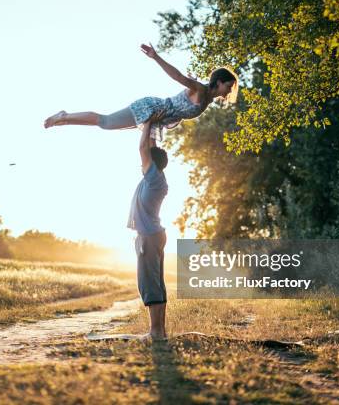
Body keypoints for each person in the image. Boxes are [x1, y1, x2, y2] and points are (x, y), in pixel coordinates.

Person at [43, 43, 238, 141]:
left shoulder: (206, 100)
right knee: (105, 122)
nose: (229, 91)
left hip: (156, 119)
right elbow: (178, 77)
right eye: (228, 86)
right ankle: (64, 115)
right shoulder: (201, 90)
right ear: (219, 82)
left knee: (107, 125)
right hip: (152, 108)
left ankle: (65, 120)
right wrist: (156, 57)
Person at [128, 117, 169, 340]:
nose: (141, 161)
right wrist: (153, 128)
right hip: (154, 234)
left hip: (149, 237)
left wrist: (147, 124)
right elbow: (150, 148)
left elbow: (143, 147)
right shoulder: (156, 177)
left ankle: (155, 332)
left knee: (149, 283)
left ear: (151, 163)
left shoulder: (153, 179)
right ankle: (160, 331)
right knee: (156, 282)